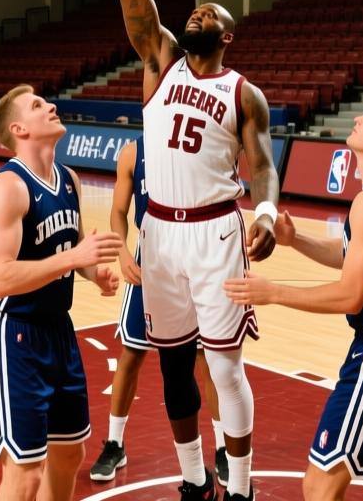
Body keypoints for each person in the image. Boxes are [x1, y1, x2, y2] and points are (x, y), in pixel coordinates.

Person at [112, 0, 278, 501]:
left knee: (226, 366)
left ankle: (240, 487)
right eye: (193, 9)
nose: (196, 11)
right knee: (173, 363)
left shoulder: (243, 92)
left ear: (227, 35)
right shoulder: (160, 61)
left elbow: (261, 163)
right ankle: (192, 478)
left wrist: (264, 213)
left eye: (210, 11)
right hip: (159, 235)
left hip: (215, 234)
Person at [225, 94, 363, 501]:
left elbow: (351, 295)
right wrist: (296, 240)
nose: (359, 118)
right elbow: (353, 255)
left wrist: (273, 293)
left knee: (320, 482)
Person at [0, 85, 122, 501]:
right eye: (38, 105)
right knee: (25, 475)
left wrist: (94, 272)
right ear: (19, 129)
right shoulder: (9, 187)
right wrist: (76, 258)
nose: (51, 106)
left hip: (58, 330)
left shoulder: (69, 180)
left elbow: (67, 244)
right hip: (13, 334)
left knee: (69, 454)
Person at [89, 138, 229, 486]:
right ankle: (114, 444)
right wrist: (122, 251)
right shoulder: (133, 152)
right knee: (132, 352)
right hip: (150, 256)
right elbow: (118, 211)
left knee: (204, 357)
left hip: (197, 257)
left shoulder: (197, 143)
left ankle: (224, 447)